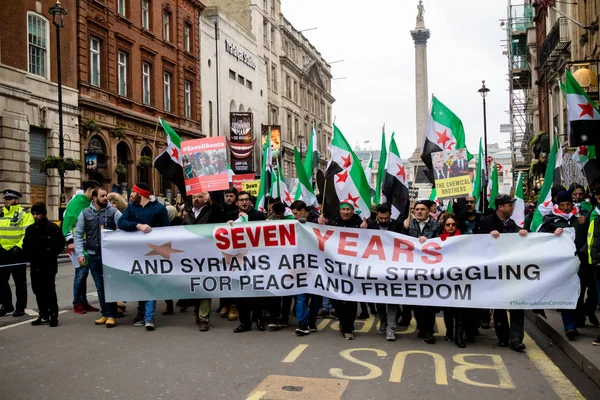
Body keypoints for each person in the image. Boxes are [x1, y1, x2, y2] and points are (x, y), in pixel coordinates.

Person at [478, 194, 529, 352]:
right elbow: (474, 243)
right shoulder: (486, 223)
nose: (512, 208)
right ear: (500, 207)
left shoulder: (513, 224)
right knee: (499, 305)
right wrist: (487, 237)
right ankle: (503, 336)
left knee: (517, 305)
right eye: (510, 205)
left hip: (513, 271)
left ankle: (516, 338)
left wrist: (523, 234)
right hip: (495, 271)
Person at [117, 183, 170, 331]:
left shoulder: (159, 208)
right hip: (136, 253)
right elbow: (121, 222)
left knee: (150, 284)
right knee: (140, 282)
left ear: (141, 194)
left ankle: (149, 318)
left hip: (154, 253)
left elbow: (167, 229)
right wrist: (138, 226)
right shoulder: (132, 207)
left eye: (133, 192)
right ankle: (142, 314)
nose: (131, 195)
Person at [540, 190, 588, 340]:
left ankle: (578, 319)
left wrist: (585, 225)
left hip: (581, 261)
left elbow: (591, 235)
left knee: (580, 293)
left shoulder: (581, 216)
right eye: (562, 205)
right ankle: (569, 326)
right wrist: (552, 232)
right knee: (567, 292)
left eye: (568, 204)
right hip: (562, 264)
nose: (566, 208)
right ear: (557, 205)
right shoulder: (550, 220)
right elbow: (540, 238)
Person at [318, 200, 367, 340]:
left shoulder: (359, 223)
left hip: (352, 268)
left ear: (353, 210)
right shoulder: (332, 223)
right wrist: (320, 223)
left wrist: (367, 229)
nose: (346, 212)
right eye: (343, 209)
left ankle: (348, 327)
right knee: (336, 299)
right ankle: (343, 321)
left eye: (348, 209)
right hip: (334, 268)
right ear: (340, 210)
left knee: (351, 299)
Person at [74, 188, 122, 328]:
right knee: (100, 286)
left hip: (110, 255)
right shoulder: (85, 213)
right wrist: (80, 254)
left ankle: (111, 315)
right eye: (102, 196)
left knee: (110, 285)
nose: (105, 198)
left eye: (106, 195)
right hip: (93, 255)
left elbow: (123, 225)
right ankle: (105, 313)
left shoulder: (113, 212)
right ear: (94, 198)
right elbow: (78, 234)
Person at [182, 192, 226, 331]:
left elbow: (221, 217)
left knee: (206, 285)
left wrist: (212, 203)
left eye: (199, 197)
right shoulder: (187, 214)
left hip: (207, 255)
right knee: (195, 285)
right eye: (194, 197)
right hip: (191, 257)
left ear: (205, 199)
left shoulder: (211, 211)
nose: (196, 199)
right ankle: (198, 310)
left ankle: (204, 318)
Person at [402, 200, 439, 344]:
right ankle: (422, 327)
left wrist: (429, 240)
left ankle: (429, 329)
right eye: (416, 209)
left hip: (430, 269)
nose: (419, 211)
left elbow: (442, 241)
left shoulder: (436, 225)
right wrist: (403, 229)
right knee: (416, 301)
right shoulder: (408, 224)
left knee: (429, 301)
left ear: (429, 211)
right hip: (413, 268)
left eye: (422, 209)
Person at [230, 191, 267, 333]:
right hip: (238, 261)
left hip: (255, 260)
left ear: (250, 202)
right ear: (237, 202)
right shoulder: (231, 216)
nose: (244, 202)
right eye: (241, 200)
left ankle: (258, 319)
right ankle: (244, 322)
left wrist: (247, 220)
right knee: (240, 295)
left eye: (246, 200)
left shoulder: (258, 215)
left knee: (256, 292)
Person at [22, 203, 64, 327]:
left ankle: (54, 315)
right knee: (37, 290)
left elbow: (59, 244)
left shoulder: (52, 228)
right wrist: (29, 257)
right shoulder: (30, 229)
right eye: (34, 214)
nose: (35, 216)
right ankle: (43, 314)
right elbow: (26, 245)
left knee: (49, 289)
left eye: (38, 214)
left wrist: (50, 254)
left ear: (44, 214)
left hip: (48, 264)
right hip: (35, 264)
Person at [63, 180, 100, 314]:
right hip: (76, 243)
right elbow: (66, 222)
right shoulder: (76, 202)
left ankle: (83, 302)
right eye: (94, 192)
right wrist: (69, 241)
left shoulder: (89, 203)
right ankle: (77, 302)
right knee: (81, 272)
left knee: (84, 273)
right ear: (89, 190)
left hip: (87, 242)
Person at [367, 204, 402, 341]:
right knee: (379, 299)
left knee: (392, 300)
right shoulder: (370, 226)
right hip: (376, 268)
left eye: (386, 218)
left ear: (390, 215)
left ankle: (391, 329)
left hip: (393, 268)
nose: (383, 220)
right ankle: (383, 320)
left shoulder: (398, 225)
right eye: (380, 218)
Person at [0, 189, 34, 317]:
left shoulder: (24, 214)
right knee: (1, 281)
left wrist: (18, 247)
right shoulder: (1, 213)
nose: (7, 201)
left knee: (20, 282)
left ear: (17, 200)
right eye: (6, 199)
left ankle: (20, 307)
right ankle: (6, 304)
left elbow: (27, 232)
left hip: (17, 253)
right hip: (2, 252)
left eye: (10, 199)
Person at [289, 200, 321, 335]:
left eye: (296, 213)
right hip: (300, 263)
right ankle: (303, 324)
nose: (294, 217)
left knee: (316, 296)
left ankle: (311, 322)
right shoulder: (294, 223)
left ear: (303, 211)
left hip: (316, 264)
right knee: (301, 294)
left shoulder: (317, 221)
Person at [438, 214, 469, 348]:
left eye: (453, 224)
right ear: (444, 226)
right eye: (448, 224)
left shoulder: (463, 238)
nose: (451, 227)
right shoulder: (438, 239)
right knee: (448, 309)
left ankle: (459, 335)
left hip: (461, 278)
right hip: (445, 278)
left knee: (460, 309)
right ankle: (449, 331)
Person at [219, 188, 239, 321]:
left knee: (235, 276)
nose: (229, 198)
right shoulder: (221, 209)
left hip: (237, 248)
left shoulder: (239, 212)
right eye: (227, 196)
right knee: (224, 276)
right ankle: (224, 303)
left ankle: (234, 306)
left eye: (231, 196)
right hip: (223, 246)